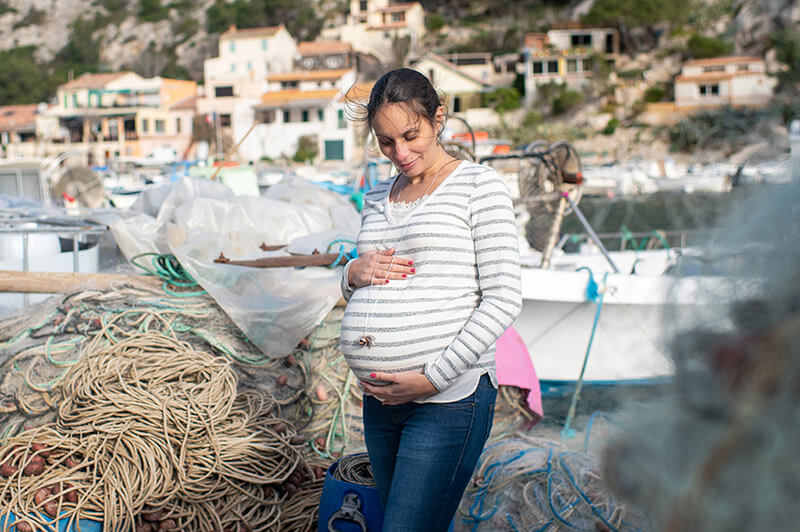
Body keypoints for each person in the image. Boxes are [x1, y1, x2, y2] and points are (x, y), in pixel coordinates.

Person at [339, 68, 522, 531]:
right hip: (380, 402)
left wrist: (432, 379)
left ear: (438, 117)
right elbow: (366, 283)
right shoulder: (377, 197)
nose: (399, 153)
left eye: (410, 135)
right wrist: (350, 274)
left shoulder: (480, 186)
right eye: (385, 142)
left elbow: (503, 298)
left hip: (449, 398)